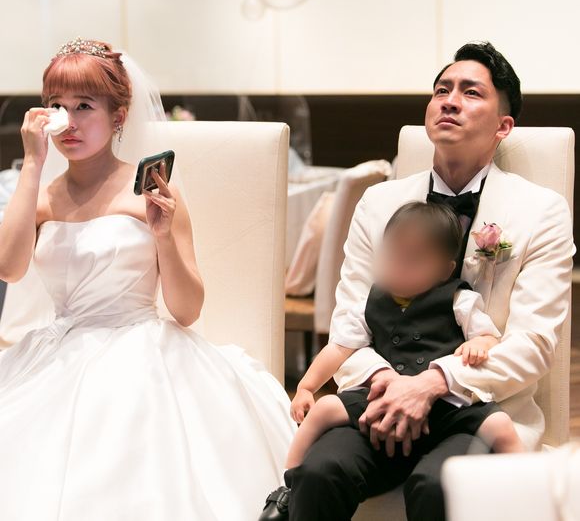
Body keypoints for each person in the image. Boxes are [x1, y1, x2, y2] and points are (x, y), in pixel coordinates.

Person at [0, 38, 295, 521]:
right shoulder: (43, 195)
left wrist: (162, 236)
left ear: (119, 116)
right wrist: (32, 164)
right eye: (57, 105)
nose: (67, 121)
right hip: (57, 349)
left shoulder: (152, 192)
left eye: (84, 106)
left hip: (138, 349)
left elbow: (187, 310)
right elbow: (9, 268)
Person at [280, 42, 575, 521]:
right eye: (442, 90)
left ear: (503, 126)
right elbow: (350, 324)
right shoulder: (378, 204)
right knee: (318, 473)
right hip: (377, 402)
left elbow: (534, 344)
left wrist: (436, 382)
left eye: (471, 92)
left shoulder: (540, 212)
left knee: (440, 486)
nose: (450, 101)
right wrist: (389, 385)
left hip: (476, 409)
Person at [259, 201, 524, 519]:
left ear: (444, 270)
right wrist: (306, 386)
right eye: (392, 257)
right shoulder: (370, 302)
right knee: (326, 409)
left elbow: (490, 337)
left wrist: (479, 345)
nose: (400, 268)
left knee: (498, 424)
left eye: (413, 261)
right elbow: (339, 348)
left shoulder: (459, 300)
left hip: (444, 407)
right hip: (380, 400)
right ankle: (289, 484)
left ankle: (526, 495)